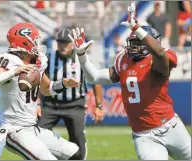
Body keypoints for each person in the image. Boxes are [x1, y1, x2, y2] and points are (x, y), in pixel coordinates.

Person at [68, 3, 191, 160]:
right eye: (132, 43)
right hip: (144, 135)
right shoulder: (123, 59)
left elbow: (160, 53)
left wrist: (137, 29)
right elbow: (95, 77)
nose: (132, 48)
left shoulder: (159, 58)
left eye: (138, 43)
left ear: (149, 43)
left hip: (170, 127)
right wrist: (82, 57)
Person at [0, 22, 82, 160]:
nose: (37, 44)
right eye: (35, 40)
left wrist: (63, 83)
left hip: (33, 128)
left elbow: (47, 90)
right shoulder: (10, 61)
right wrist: (13, 72)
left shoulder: (37, 60)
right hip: (14, 130)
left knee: (75, 153)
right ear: (25, 43)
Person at [37, 28, 104, 160]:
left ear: (72, 43)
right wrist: (38, 103)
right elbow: (41, 82)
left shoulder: (82, 59)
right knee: (38, 134)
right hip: (52, 104)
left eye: (66, 42)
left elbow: (96, 81)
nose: (63, 46)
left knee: (77, 138)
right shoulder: (49, 59)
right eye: (60, 42)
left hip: (75, 105)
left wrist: (99, 106)